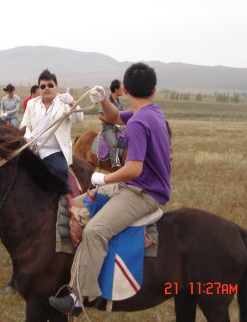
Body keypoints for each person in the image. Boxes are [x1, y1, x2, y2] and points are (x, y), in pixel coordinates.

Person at [49, 63, 171, 317]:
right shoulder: (153, 112)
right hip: (132, 186)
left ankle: (78, 296)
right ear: (154, 90)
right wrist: (103, 99)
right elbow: (115, 117)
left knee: (95, 231)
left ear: (125, 89)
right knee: (76, 205)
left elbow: (134, 168)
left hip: (142, 192)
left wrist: (103, 179)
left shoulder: (139, 123)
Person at [20, 69, 83, 184]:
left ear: (56, 87)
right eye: (43, 86)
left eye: (50, 85)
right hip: (33, 147)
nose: (47, 88)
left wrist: (72, 103)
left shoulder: (64, 102)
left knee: (60, 170)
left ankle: (62, 198)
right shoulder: (31, 103)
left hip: (54, 150)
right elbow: (25, 125)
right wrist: (27, 133)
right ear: (39, 89)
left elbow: (78, 119)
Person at [98, 79, 124, 170]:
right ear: (116, 89)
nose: (123, 89)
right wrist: (113, 122)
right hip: (108, 128)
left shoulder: (120, 103)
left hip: (119, 127)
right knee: (113, 143)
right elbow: (100, 116)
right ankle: (115, 165)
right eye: (122, 87)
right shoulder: (106, 101)